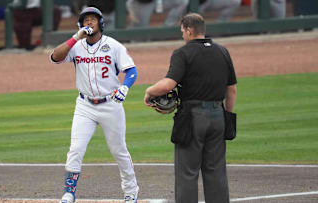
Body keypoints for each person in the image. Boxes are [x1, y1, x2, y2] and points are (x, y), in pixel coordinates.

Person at [144, 13, 237, 203]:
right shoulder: (223, 51)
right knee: (216, 171)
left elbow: (168, 84)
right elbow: (232, 90)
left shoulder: (183, 53)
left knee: (187, 173)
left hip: (193, 118)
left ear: (189, 30)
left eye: (182, 31)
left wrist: (149, 91)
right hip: (218, 116)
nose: (182, 35)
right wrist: (227, 116)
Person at [49, 7, 139, 203]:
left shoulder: (113, 46)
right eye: (85, 20)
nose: (89, 22)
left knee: (119, 150)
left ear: (101, 23)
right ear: (81, 25)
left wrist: (125, 87)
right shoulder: (76, 46)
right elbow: (55, 57)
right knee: (76, 148)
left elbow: (131, 71)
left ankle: (131, 192)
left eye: (93, 19)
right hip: (85, 106)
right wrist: (76, 37)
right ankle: (69, 192)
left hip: (110, 104)